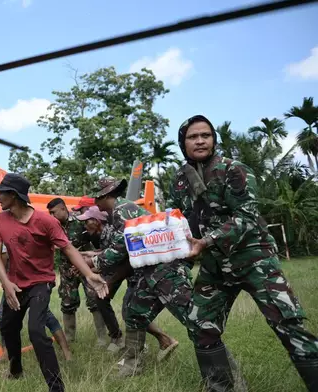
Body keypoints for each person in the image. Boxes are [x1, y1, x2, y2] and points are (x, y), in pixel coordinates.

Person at [168, 114, 318, 391]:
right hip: (214, 265)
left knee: (289, 324)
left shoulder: (233, 169)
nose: (200, 140)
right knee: (200, 325)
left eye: (206, 135)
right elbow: (177, 218)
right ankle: (221, 388)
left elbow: (247, 216)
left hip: (253, 259)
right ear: (183, 142)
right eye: (193, 136)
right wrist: (170, 243)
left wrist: (208, 240)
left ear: (213, 140)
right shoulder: (179, 180)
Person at [0, 173, 108, 392]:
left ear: (14, 196)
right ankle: (16, 370)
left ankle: (56, 388)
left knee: (35, 330)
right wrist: (6, 284)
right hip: (14, 282)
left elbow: (68, 248)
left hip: (40, 282)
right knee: (8, 326)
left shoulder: (46, 221)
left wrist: (89, 275)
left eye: (1, 193)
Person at [88, 177, 193, 378]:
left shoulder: (122, 209)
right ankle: (132, 366)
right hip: (150, 271)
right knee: (134, 313)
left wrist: (94, 264)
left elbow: (121, 246)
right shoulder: (119, 211)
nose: (95, 201)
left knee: (194, 320)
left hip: (167, 270)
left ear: (105, 195)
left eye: (96, 196)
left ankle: (222, 374)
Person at [78, 206, 180, 360]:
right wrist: (88, 257)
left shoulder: (111, 232)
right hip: (134, 274)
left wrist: (108, 279)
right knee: (130, 311)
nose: (85, 225)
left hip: (138, 275)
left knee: (131, 312)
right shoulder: (104, 234)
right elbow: (108, 253)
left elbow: (122, 259)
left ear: (97, 221)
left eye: (87, 221)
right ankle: (158, 342)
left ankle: (151, 345)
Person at [0, 211, 72, 361]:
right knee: (9, 318)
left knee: (43, 317)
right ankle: (9, 354)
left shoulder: (0, 240)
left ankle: (65, 351)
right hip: (13, 284)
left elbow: (1, 263)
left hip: (26, 282)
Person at [46, 198, 108, 346]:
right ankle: (69, 339)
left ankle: (102, 338)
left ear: (62, 209)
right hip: (67, 271)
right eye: (50, 213)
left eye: (53, 212)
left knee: (94, 301)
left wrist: (92, 260)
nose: (52, 215)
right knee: (67, 303)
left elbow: (95, 240)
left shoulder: (80, 221)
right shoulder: (51, 225)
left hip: (85, 267)